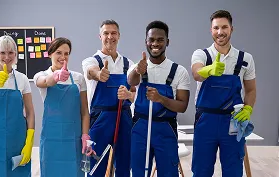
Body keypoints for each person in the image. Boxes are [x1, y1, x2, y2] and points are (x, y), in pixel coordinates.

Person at [191, 10, 256, 177]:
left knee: (233, 171)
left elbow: (250, 89)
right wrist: (209, 69)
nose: (220, 32)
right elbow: (196, 73)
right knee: (201, 171)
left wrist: (248, 109)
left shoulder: (245, 59)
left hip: (233, 122)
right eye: (216, 28)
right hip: (206, 122)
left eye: (224, 27)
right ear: (211, 30)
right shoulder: (202, 54)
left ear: (231, 29)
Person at [128, 20, 190, 177]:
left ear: (167, 42)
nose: (155, 43)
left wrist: (161, 99)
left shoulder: (179, 71)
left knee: (168, 173)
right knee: (138, 173)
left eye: (160, 39)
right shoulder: (139, 67)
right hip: (140, 129)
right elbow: (131, 82)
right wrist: (137, 70)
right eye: (151, 39)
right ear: (146, 42)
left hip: (166, 130)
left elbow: (182, 106)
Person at [34, 37, 94, 177]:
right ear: (50, 54)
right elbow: (43, 82)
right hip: (51, 139)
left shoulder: (78, 78)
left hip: (73, 138)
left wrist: (85, 135)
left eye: (66, 54)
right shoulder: (41, 75)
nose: (63, 57)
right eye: (58, 53)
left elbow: (84, 111)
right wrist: (56, 77)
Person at [82, 19, 135, 177]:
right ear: (100, 36)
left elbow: (134, 95)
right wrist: (99, 74)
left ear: (119, 36)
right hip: (100, 121)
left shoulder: (128, 64)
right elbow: (91, 72)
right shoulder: (91, 61)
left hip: (124, 119)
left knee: (125, 165)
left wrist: (128, 95)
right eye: (106, 33)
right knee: (97, 165)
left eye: (113, 33)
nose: (110, 37)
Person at [0, 35, 35, 177]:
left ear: (15, 54)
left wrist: (29, 140)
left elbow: (30, 112)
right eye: (2, 52)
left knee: (17, 172)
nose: (7, 57)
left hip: (17, 136)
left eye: (10, 52)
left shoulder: (22, 79)